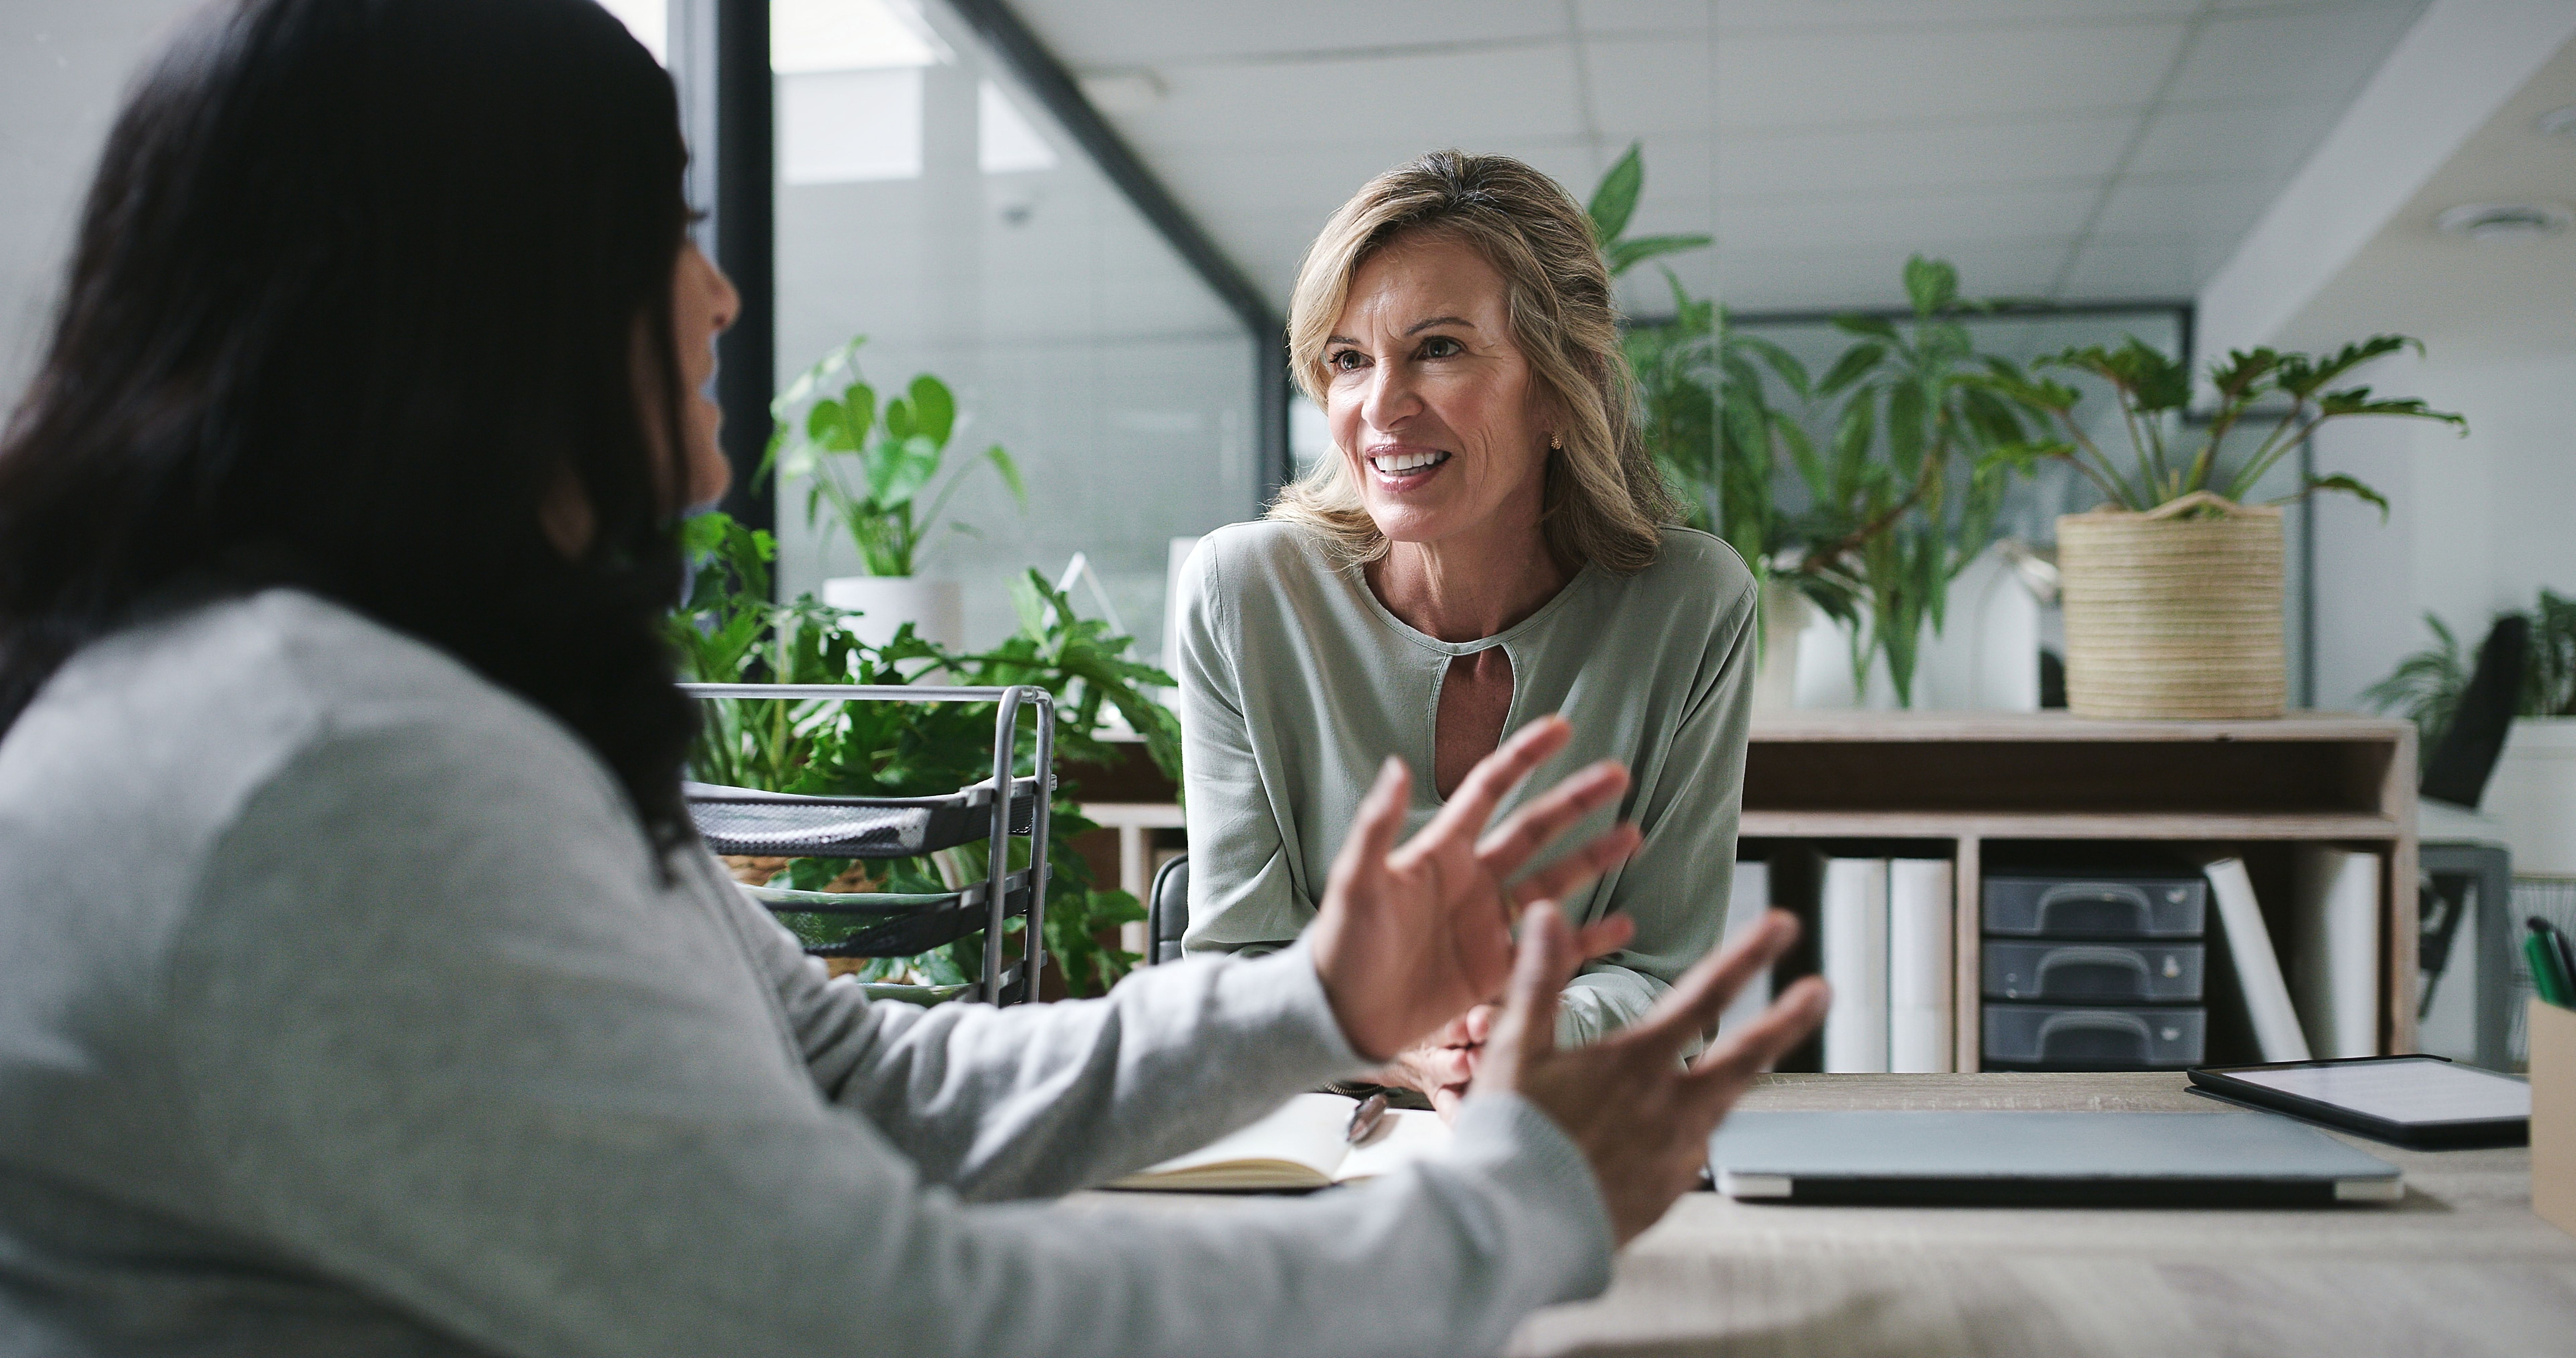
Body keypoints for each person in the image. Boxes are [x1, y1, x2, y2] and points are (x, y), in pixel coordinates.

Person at [0, 4, 1826, 1356]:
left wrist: (1323, 996)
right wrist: (1514, 1210)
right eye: (671, 227)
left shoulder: (412, 707)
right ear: (473, 297)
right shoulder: (321, 776)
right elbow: (863, 1316)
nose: (722, 298)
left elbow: (867, 1080)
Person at [1177, 150, 1761, 1107]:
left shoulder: (1691, 607)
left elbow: (1666, 978)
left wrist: (1531, 1032)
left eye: (1439, 348)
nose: (1381, 407)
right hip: (1313, 1138)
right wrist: (1412, 1046)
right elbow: (1238, 971)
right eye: (1349, 360)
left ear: (1561, 386)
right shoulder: (1244, 594)